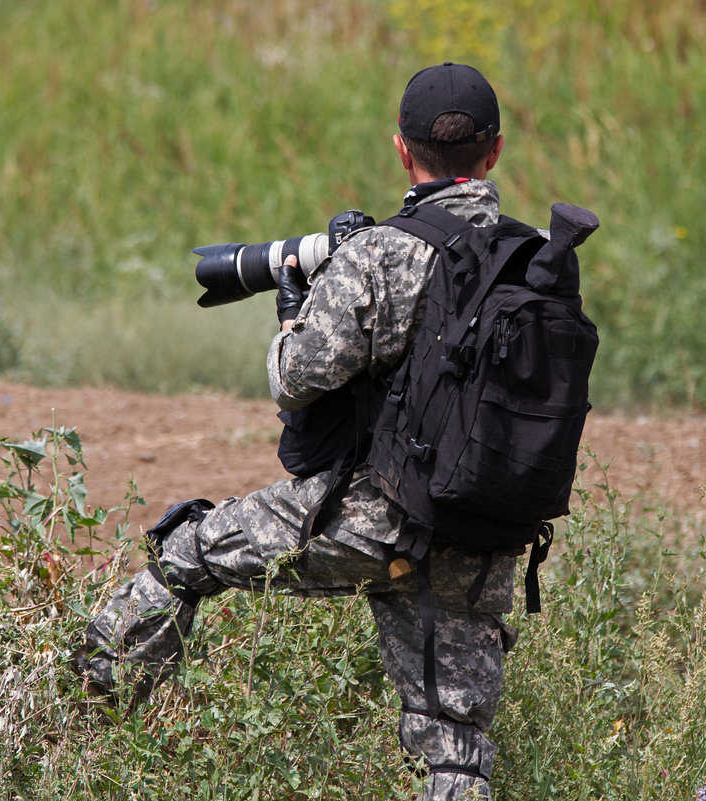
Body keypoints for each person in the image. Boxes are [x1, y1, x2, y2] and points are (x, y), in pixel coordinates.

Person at [72, 62, 523, 801]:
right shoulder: (531, 255)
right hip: (485, 527)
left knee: (187, 549)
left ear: (402, 152)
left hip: (380, 517)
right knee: (455, 745)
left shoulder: (381, 253)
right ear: (495, 152)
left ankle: (78, 725)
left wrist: (294, 306)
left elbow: (297, 377)